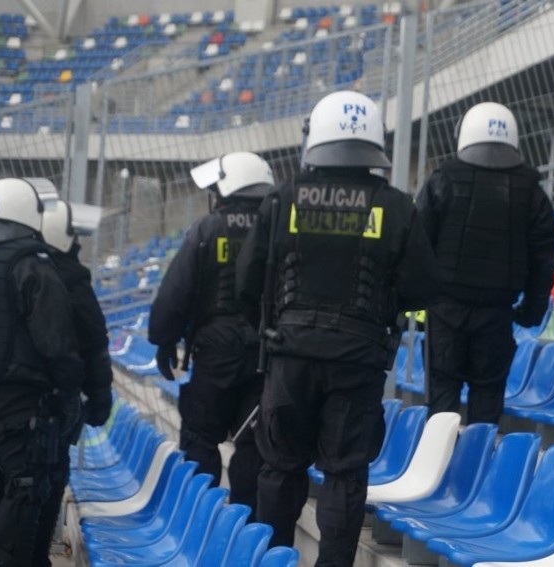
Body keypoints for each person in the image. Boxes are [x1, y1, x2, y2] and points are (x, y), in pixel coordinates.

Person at [236, 90, 441, 566]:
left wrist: (271, 331)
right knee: (345, 474)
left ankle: (275, 559)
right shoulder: (396, 206)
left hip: (289, 357)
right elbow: (424, 287)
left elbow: (246, 284)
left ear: (317, 138)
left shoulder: (282, 199)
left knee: (280, 468)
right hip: (358, 360)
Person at [0, 178, 86, 567]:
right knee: (22, 492)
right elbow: (58, 344)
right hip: (19, 408)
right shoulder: (32, 265)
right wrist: (69, 399)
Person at [415, 101, 554, 425]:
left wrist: (419, 303)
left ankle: (437, 469)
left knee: (441, 398)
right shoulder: (531, 190)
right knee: (487, 399)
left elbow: (418, 244)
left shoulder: (443, 180)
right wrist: (533, 310)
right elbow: (544, 255)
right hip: (497, 315)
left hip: (445, 313)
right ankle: (480, 466)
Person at [148, 151, 275, 512]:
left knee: (200, 440)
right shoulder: (279, 225)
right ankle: (245, 530)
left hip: (214, 354)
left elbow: (175, 292)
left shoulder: (208, 227)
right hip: (265, 354)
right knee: (253, 446)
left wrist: (164, 340)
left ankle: (198, 519)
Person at [35, 196, 113, 566]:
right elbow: (94, 345)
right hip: (56, 406)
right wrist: (99, 403)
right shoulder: (71, 278)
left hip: (1, 404)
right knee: (46, 481)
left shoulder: (7, 269)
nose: (78, 243)